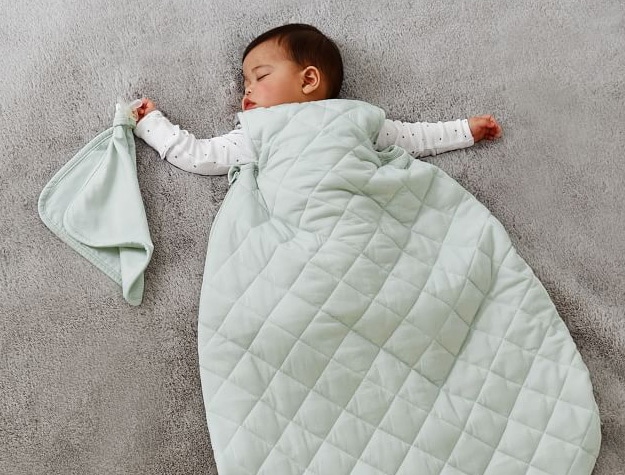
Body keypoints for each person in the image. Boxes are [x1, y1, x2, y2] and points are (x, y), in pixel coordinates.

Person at [133, 23, 502, 176]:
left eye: (260, 77)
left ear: (309, 79)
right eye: (246, 81)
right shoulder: (257, 131)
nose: (247, 89)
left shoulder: (353, 117)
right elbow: (201, 156)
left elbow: (414, 139)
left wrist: (464, 130)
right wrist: (151, 123)